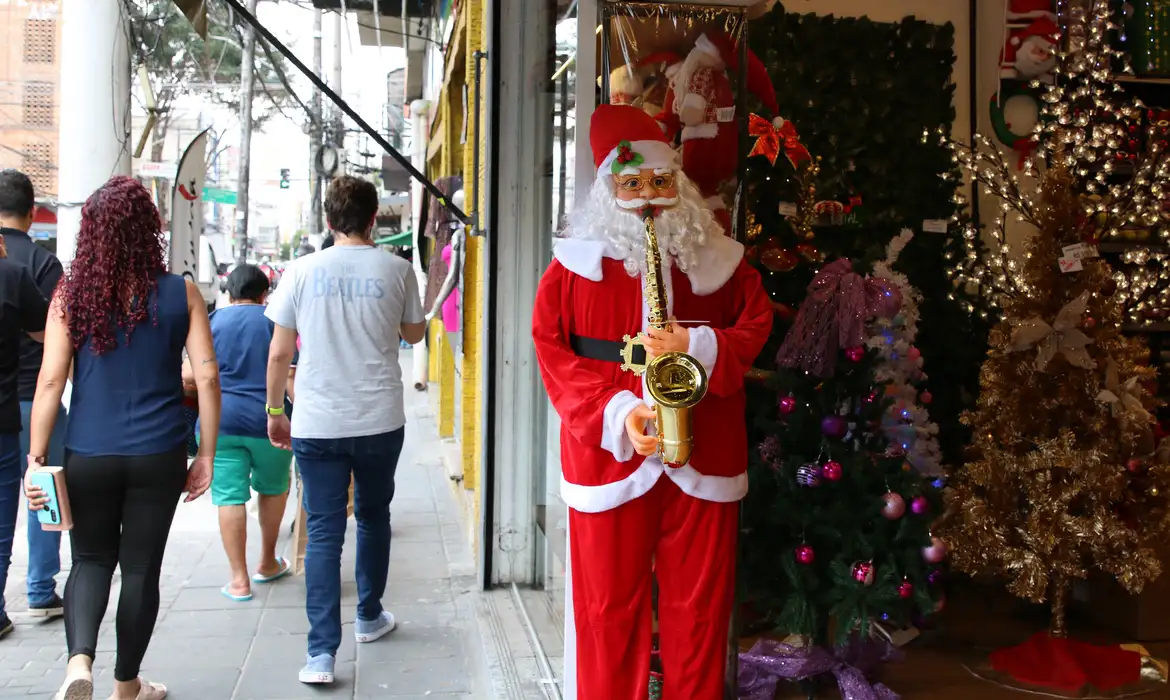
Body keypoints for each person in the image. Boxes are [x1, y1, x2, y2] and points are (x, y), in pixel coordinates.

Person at [531, 104, 773, 699]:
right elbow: (553, 353)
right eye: (632, 184)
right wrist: (617, 413)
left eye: (660, 183)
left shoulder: (722, 260)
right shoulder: (569, 269)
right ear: (608, 189)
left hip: (704, 451)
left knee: (702, 610)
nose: (647, 198)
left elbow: (757, 323)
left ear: (680, 185)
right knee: (606, 610)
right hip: (610, 457)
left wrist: (697, 344)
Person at [24, 176, 220, 700]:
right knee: (140, 569)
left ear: (90, 232)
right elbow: (206, 377)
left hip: (88, 451)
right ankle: (126, 685)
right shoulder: (181, 292)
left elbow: (49, 382)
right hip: (159, 454)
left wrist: (35, 458)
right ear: (148, 231)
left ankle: (78, 664)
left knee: (89, 560)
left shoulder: (70, 295)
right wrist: (205, 453)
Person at [264, 175, 426, 685]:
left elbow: (279, 351)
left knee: (324, 531)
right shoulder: (397, 269)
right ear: (374, 217)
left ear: (329, 220)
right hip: (379, 419)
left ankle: (320, 655)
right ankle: (369, 616)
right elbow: (414, 333)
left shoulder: (301, 271)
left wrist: (274, 410)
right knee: (375, 516)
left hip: (317, 420)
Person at [183, 264, 293, 602]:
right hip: (270, 422)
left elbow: (189, 376)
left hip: (221, 423)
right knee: (273, 489)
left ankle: (239, 580)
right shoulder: (277, 321)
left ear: (228, 293)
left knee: (230, 496)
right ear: (265, 293)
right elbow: (289, 374)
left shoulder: (212, 321)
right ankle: (267, 562)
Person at [0, 170, 66, 623]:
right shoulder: (45, 263)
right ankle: (41, 587)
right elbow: (57, 337)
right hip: (36, 399)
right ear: (30, 211)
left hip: (8, 405)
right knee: (45, 490)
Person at [0, 233, 48, 640]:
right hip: (13, 408)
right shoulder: (14, 272)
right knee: (8, 516)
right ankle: (32, 593)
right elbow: (46, 333)